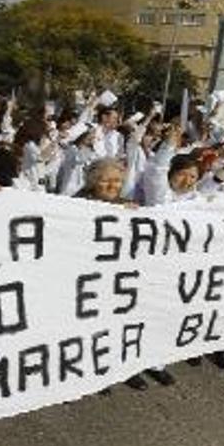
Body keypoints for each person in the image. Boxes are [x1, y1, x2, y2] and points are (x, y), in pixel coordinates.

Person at [72, 158, 150, 392]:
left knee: (119, 326)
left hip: (118, 281)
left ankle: (122, 369)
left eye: (117, 181)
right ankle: (94, 372)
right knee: (91, 329)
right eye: (105, 180)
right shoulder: (74, 205)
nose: (112, 185)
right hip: (88, 280)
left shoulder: (127, 205)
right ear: (93, 181)